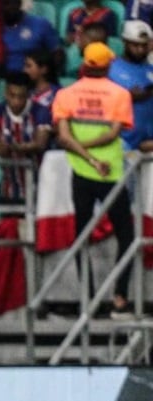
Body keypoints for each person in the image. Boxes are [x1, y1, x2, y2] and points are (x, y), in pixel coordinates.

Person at [51, 42, 136, 318]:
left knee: (81, 236)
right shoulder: (120, 94)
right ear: (108, 65)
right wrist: (98, 159)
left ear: (85, 64)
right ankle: (120, 297)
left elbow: (64, 138)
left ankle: (88, 299)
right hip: (110, 172)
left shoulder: (66, 94)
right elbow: (112, 135)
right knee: (127, 235)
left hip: (81, 172)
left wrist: (86, 158)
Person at [0, 72, 52, 203]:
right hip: (8, 187)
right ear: (6, 93)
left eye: (21, 97)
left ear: (29, 95)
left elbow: (40, 143)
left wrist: (16, 147)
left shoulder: (40, 112)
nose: (16, 102)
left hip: (38, 187)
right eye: (12, 96)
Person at [108, 20, 153, 151]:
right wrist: (127, 96)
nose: (140, 50)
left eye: (144, 46)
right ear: (124, 42)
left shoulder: (150, 69)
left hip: (148, 144)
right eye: (135, 45)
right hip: (122, 141)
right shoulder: (111, 68)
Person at [1, 0, 62, 78]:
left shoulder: (41, 24)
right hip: (4, 80)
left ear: (19, 3)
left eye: (13, 2)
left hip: (35, 82)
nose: (9, 7)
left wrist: (47, 76)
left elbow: (57, 53)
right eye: (5, 3)